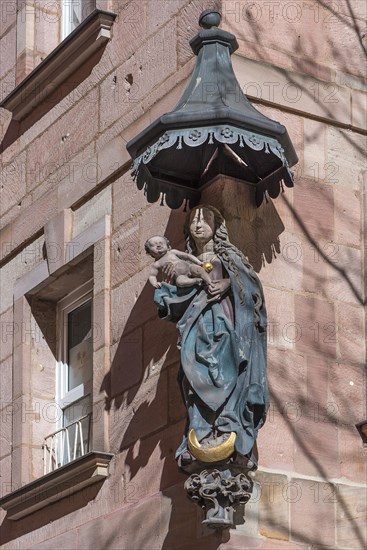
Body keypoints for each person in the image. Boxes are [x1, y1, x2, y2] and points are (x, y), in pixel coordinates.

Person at [154, 205, 268, 470]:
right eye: (193, 220)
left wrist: (228, 284)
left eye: (205, 219)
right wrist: (164, 294)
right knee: (195, 378)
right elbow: (177, 298)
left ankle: (229, 423)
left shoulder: (230, 258)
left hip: (226, 327)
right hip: (196, 328)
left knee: (227, 372)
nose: (198, 224)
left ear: (218, 227)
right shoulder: (183, 263)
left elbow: (252, 289)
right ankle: (202, 429)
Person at [145, 235, 212, 288]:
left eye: (161, 243)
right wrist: (155, 283)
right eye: (153, 245)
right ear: (150, 252)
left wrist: (199, 262)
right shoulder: (157, 264)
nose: (158, 245)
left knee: (199, 270)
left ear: (168, 246)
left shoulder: (172, 252)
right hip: (180, 276)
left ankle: (210, 282)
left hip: (189, 267)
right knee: (179, 282)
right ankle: (196, 281)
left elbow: (187, 256)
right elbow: (152, 276)